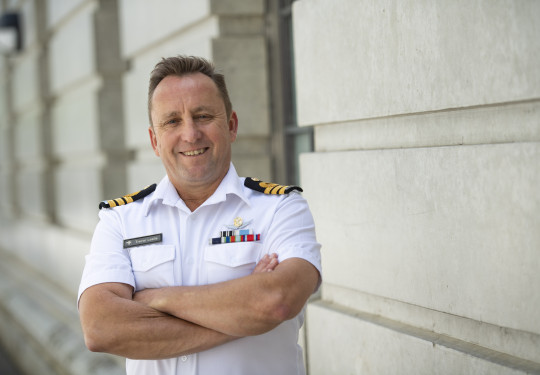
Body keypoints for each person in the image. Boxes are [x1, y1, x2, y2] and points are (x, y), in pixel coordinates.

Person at [77, 55, 322, 375]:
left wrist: (155, 299)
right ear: (154, 140)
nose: (190, 134)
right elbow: (100, 328)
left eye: (203, 116)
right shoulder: (121, 220)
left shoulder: (280, 209)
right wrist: (242, 317)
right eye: (172, 121)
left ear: (231, 126)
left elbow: (277, 300)